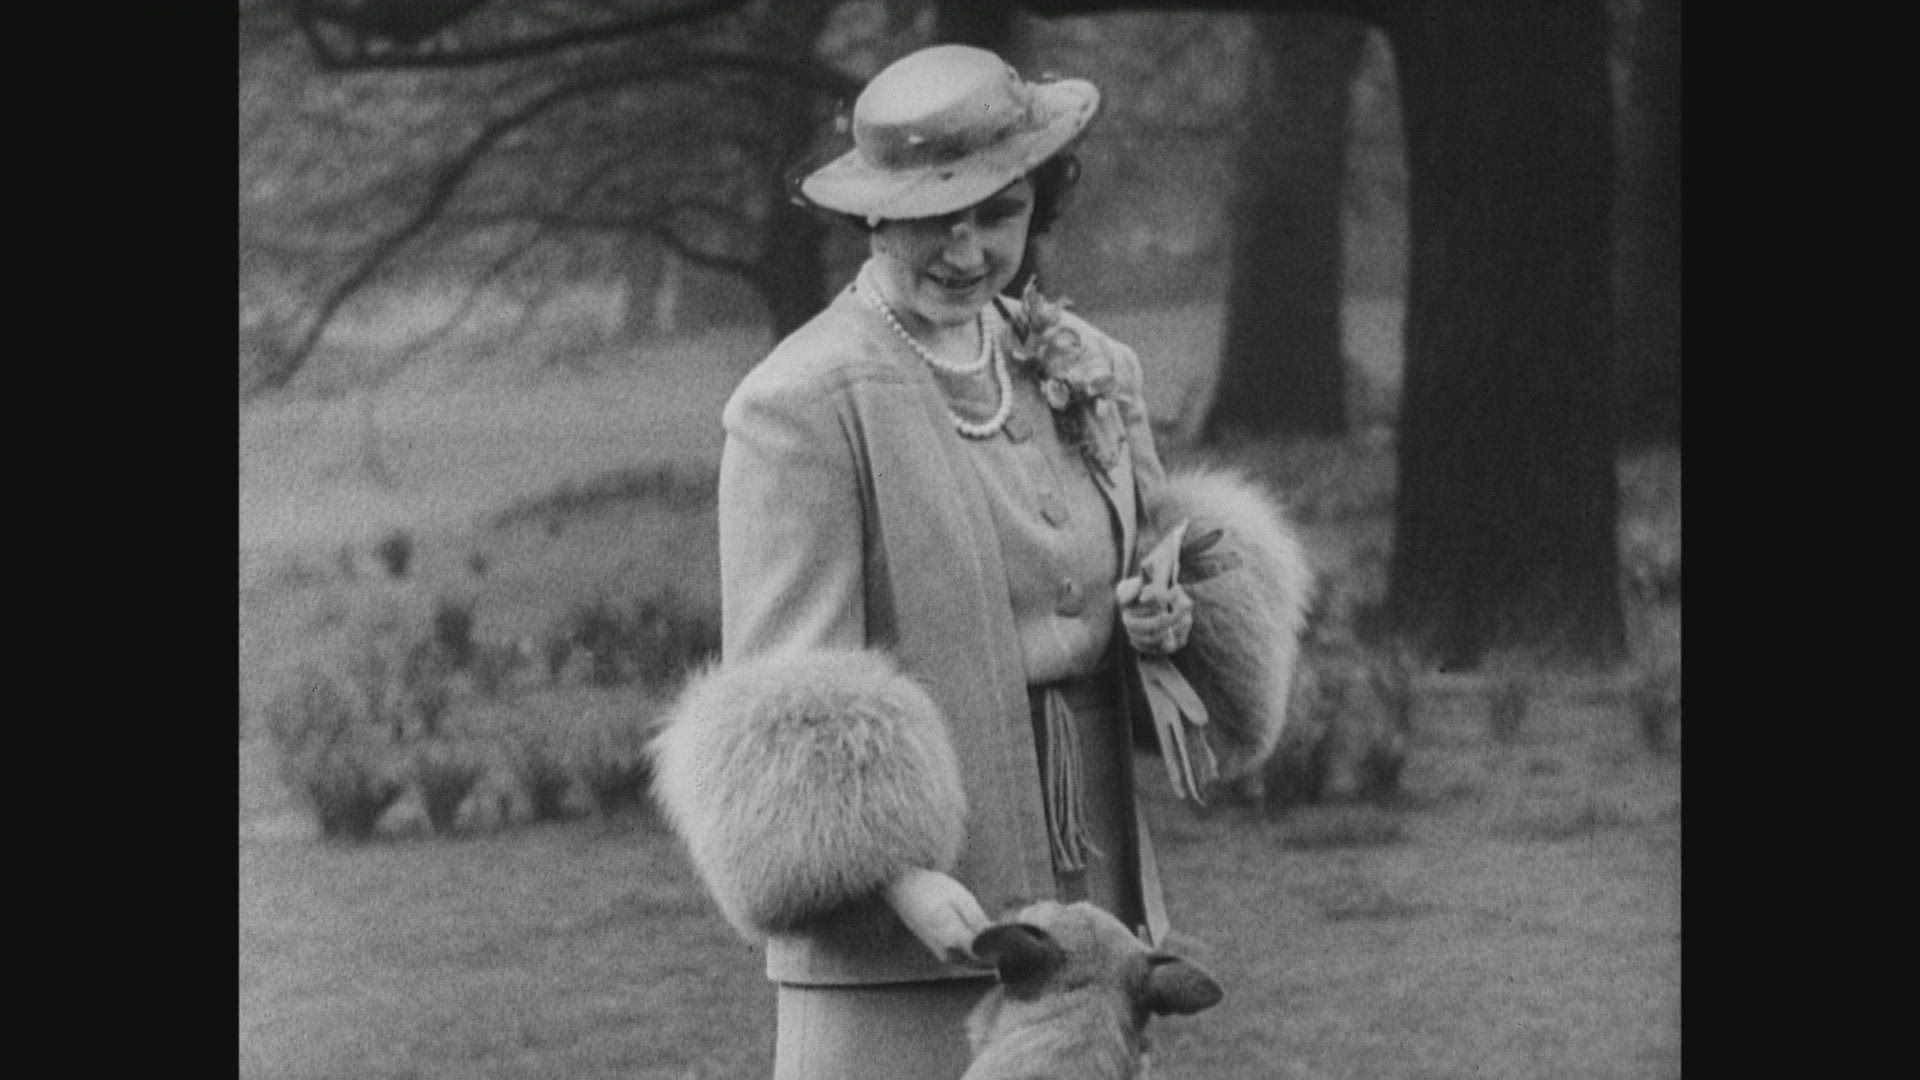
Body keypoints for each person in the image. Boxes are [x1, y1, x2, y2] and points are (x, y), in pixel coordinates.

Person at [651, 43, 1311, 1080]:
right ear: (876, 217)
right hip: (911, 928)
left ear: (1040, 203)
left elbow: (1136, 590)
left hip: (1093, 927)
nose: (965, 250)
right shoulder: (800, 403)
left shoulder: (1091, 367)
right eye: (931, 219)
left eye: (997, 213)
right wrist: (901, 881)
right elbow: (788, 698)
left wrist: (1162, 628)